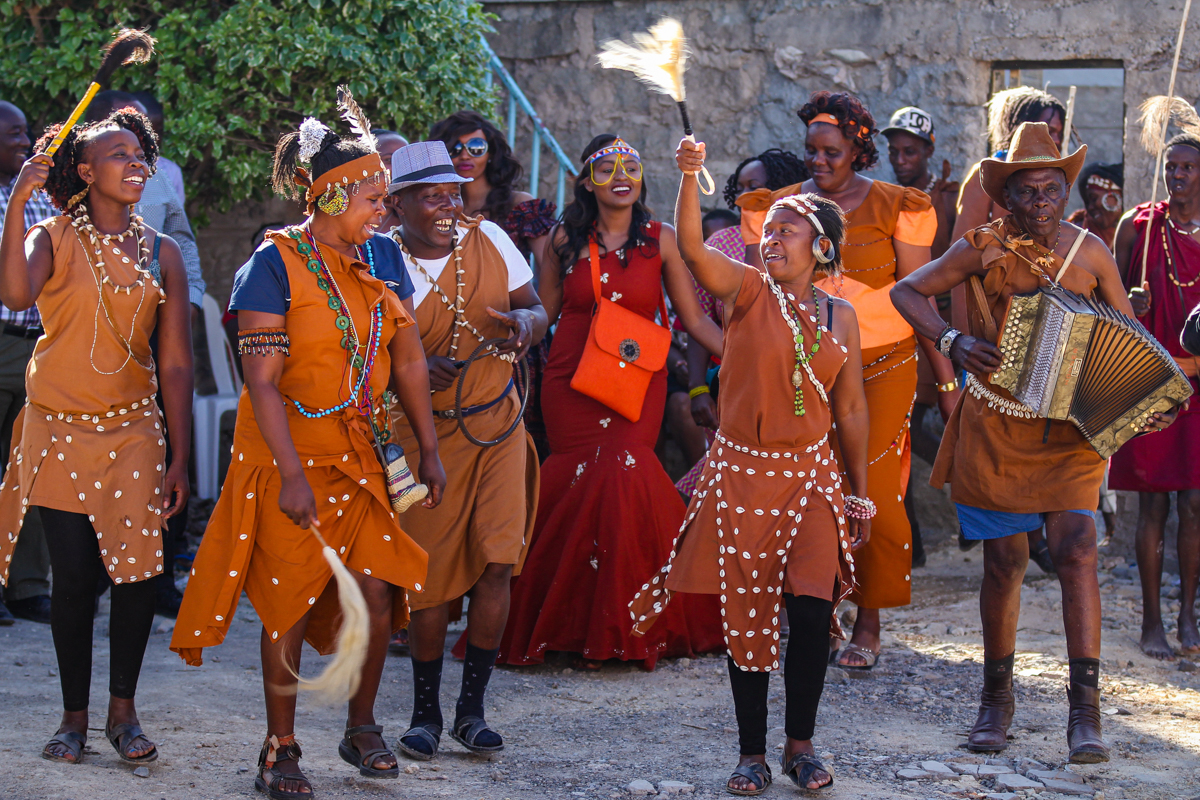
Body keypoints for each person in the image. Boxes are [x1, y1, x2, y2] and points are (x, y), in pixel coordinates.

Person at [172, 105, 445, 796]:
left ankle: (361, 727)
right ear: (327, 195)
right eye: (374, 198)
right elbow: (258, 383)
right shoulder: (274, 263)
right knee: (288, 600)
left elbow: (408, 358)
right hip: (286, 455)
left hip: (362, 451)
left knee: (378, 591)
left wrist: (431, 451)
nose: (385, 212)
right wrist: (291, 474)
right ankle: (280, 747)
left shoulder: (380, 257)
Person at [891, 121, 1179, 763]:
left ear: (1063, 191)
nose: (1041, 203)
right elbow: (906, 290)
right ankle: (997, 701)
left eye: (1052, 189)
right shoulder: (979, 247)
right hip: (997, 424)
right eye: (1028, 192)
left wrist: (1142, 400)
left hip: (1071, 433)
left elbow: (1128, 341)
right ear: (1008, 198)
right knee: (1004, 563)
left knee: (1075, 547)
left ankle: (1086, 716)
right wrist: (951, 341)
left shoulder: (1092, 252)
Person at [631, 137, 869, 795]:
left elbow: (850, 412)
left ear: (821, 247)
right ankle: (750, 754)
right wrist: (686, 176)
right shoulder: (745, 291)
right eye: (769, 227)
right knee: (749, 615)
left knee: (813, 615)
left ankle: (801, 746)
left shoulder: (841, 317)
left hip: (813, 480)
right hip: (741, 474)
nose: (772, 236)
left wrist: (862, 495)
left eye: (789, 228)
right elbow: (690, 246)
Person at [0, 107, 194, 764]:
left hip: (135, 432)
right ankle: (74, 719)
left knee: (139, 576)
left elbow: (174, 362)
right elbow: (12, 291)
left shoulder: (161, 251)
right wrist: (19, 202)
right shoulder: (49, 237)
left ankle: (123, 714)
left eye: (141, 153)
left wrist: (180, 458)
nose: (135, 162)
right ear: (84, 171)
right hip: (57, 429)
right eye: (117, 154)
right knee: (76, 578)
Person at [739, 91, 957, 671]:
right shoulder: (784, 207)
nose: (817, 161)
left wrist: (949, 381)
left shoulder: (897, 205)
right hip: (805, 368)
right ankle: (819, 609)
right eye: (810, 150)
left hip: (884, 366)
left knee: (874, 495)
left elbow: (919, 294)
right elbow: (764, 289)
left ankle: (871, 616)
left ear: (858, 149)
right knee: (808, 491)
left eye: (830, 151)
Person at [498, 134, 725, 670]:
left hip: (635, 380)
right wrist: (511, 334)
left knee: (625, 473)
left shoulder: (661, 239)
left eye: (631, 166)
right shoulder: (563, 241)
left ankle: (628, 626)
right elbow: (543, 311)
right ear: (585, 180)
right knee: (575, 478)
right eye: (607, 167)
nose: (621, 175)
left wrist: (757, 353)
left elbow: (693, 321)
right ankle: (559, 625)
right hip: (570, 379)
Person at [384, 141, 546, 759]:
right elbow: (366, 352)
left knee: (498, 561)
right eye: (431, 195)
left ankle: (471, 711)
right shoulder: (381, 261)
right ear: (399, 205)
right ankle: (424, 713)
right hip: (420, 438)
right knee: (430, 578)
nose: (448, 204)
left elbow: (536, 310)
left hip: (497, 427)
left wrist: (527, 327)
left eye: (453, 192)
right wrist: (416, 367)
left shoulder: (493, 240)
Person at [87, 90, 205, 618]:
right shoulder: (73, 180)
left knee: (165, 446)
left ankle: (156, 575)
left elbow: (181, 240)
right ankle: (91, 571)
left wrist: (190, 301)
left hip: (155, 330)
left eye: (147, 133)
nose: (138, 154)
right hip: (94, 339)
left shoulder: (164, 176)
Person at [1110, 134, 1200, 659]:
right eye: (1172, 167)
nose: (1178, 176)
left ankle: (1188, 614)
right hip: (1147, 385)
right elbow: (1106, 298)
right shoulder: (1138, 228)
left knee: (1194, 505)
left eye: (1188, 167)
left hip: (1198, 384)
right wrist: (1129, 300)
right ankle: (1151, 622)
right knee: (1152, 505)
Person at [676, 149, 808, 499]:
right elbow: (698, 318)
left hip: (797, 381)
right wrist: (698, 389)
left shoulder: (804, 242)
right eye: (742, 187)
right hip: (731, 381)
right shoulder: (723, 242)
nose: (747, 195)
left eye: (758, 186)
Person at [0, 100, 52, 626]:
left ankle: (28, 586)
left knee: (31, 469)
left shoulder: (44, 198)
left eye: (26, 131)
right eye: (13, 133)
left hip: (42, 346)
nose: (24, 139)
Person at [429, 110, 556, 265]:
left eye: (476, 147)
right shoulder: (434, 206)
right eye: (454, 148)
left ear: (491, 154)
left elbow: (549, 268)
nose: (464, 155)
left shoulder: (519, 205)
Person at [882, 106, 959, 258]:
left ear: (929, 151)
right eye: (893, 152)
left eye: (909, 152)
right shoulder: (885, 199)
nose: (900, 161)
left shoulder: (949, 199)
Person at [131, 91, 186, 207]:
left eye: (158, 132)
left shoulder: (171, 172)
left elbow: (176, 216)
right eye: (145, 134)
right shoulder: (113, 169)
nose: (152, 141)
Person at [1068, 162, 1124, 250]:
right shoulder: (1074, 236)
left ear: (1116, 194)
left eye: (1093, 198)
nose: (1090, 208)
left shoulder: (1136, 232)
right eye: (1087, 203)